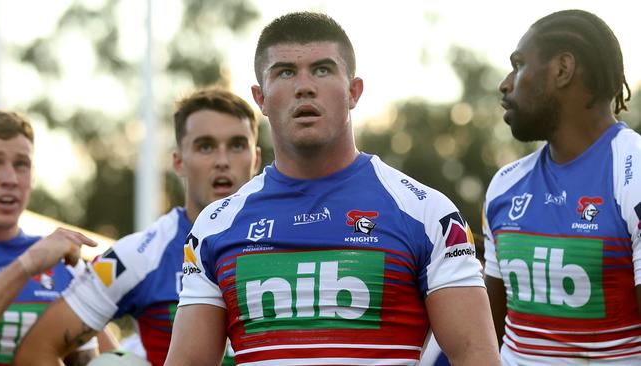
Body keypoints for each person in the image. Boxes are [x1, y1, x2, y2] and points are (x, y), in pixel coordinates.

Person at [165, 11, 500, 366]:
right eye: (285, 72)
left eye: (322, 69)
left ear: (354, 91)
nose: (304, 86)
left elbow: (475, 356)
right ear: (260, 98)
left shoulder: (426, 212)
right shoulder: (214, 226)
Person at [14, 87, 262, 366]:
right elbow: (36, 350)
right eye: (205, 146)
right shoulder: (140, 253)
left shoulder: (291, 236)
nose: (222, 161)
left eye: (237, 145)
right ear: (178, 161)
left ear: (256, 159)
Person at [483, 9, 641, 365]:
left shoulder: (634, 172)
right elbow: (487, 339)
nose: (505, 84)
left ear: (562, 69)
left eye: (519, 65)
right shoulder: (504, 187)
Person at [0, 110, 105, 365]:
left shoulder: (63, 263)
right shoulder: (41, 256)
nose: (9, 179)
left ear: (32, 176)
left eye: (21, 164)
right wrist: (27, 265)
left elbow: (96, 360)